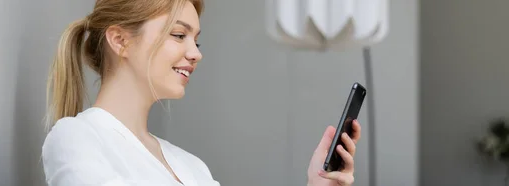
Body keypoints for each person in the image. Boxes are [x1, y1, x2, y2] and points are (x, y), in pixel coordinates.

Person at [42, 0, 362, 185]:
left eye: (196, 40)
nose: (195, 53)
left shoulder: (191, 167)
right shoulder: (78, 137)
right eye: (179, 35)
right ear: (120, 40)